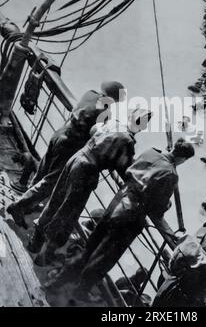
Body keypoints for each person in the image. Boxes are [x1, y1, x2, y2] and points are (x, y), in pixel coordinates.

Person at [45, 139, 195, 299]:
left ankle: (56, 282)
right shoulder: (171, 174)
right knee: (104, 259)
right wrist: (167, 204)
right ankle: (81, 291)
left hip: (117, 201)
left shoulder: (151, 151)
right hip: (130, 218)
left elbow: (130, 169)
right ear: (183, 159)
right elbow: (158, 208)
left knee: (89, 248)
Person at [30, 109, 153, 264]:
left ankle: (34, 243)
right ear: (142, 126)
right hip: (86, 171)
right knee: (68, 213)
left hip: (76, 158)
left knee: (56, 200)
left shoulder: (114, 123)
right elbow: (127, 169)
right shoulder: (127, 141)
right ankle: (44, 256)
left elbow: (93, 130)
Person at [7, 81, 126, 229]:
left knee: (43, 170)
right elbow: (95, 133)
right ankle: (19, 206)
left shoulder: (90, 93)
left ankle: (29, 202)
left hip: (60, 134)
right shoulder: (106, 111)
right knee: (52, 181)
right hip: (70, 145)